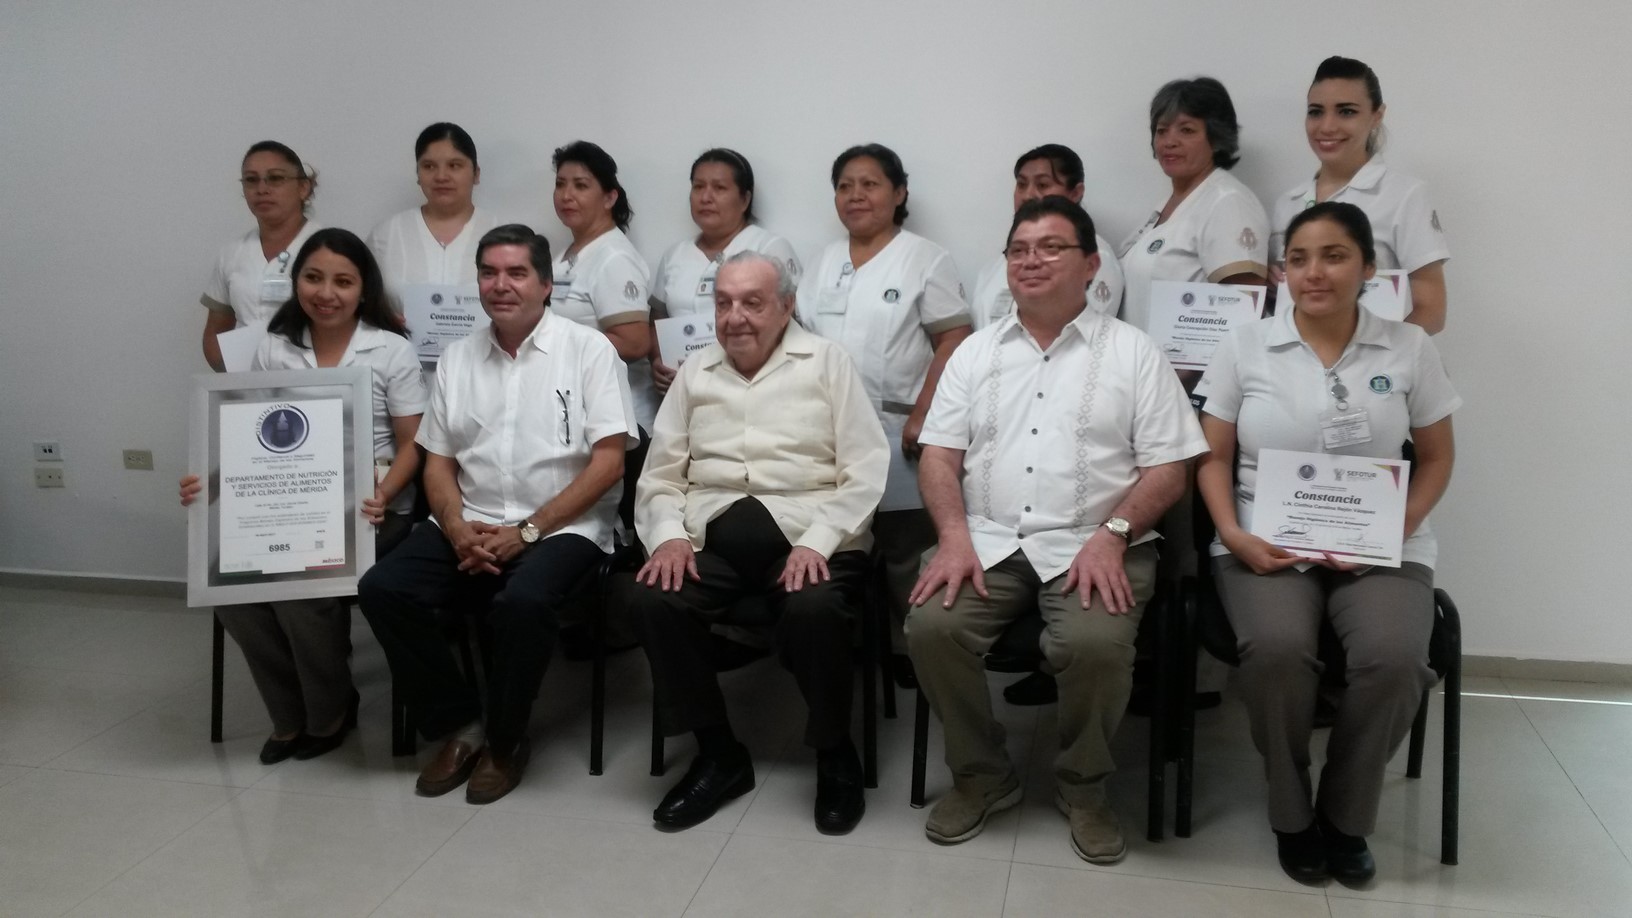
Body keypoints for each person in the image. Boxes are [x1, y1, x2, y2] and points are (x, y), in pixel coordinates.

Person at [907, 197, 1206, 864]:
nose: (1031, 261)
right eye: (1018, 250)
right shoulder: (975, 352)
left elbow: (1170, 469)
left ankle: (1084, 786)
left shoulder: (1134, 352)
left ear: (1091, 265)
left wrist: (1116, 532)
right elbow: (938, 457)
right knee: (931, 627)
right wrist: (951, 535)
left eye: (1050, 248)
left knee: (1094, 644)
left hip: (1097, 540)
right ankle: (983, 774)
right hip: (987, 537)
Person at [1193, 201, 1458, 884]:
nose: (1314, 272)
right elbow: (1212, 458)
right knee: (1277, 650)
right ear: (1282, 271)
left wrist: (1395, 528)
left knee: (1396, 659)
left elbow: (1436, 458)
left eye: (1334, 256)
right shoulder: (1244, 345)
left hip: (1382, 544)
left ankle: (1345, 815)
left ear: (1368, 268)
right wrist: (1232, 534)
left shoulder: (1409, 347)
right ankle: (1290, 811)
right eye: (1299, 258)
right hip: (1264, 540)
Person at [358, 224, 637, 805]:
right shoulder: (458, 358)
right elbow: (438, 462)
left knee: (523, 601)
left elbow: (609, 464)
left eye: (516, 273)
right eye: (489, 273)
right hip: (472, 517)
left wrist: (528, 531)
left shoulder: (589, 350)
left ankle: (506, 742)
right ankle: (461, 725)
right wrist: (455, 525)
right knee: (383, 587)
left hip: (566, 526)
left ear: (546, 284)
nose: (500, 285)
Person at [626, 252, 888, 835]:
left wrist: (819, 543)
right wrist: (667, 539)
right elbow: (661, 475)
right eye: (723, 303)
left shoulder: (827, 363)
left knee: (814, 606)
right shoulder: (696, 371)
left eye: (752, 302)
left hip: (810, 532)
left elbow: (866, 469)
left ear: (787, 306)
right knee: (651, 598)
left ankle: (835, 752)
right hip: (710, 535)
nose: (735, 317)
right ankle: (719, 753)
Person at [179, 228, 426, 764]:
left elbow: (414, 445)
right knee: (232, 591)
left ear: (364, 289)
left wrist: (383, 493)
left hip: (373, 512)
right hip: (288, 505)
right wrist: (211, 484)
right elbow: (250, 437)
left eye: (343, 281)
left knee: (301, 590)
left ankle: (329, 711)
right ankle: (289, 715)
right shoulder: (274, 346)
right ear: (297, 283)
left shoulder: (392, 350)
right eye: (313, 278)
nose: (326, 293)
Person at [797, 143, 973, 687]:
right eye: (845, 185)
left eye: (869, 184)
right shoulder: (822, 262)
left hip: (899, 426)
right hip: (825, 429)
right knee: (837, 537)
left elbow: (954, 338)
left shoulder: (925, 258)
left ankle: (912, 648)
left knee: (903, 546)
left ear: (899, 193)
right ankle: (848, 644)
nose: (856, 196)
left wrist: (924, 413)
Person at [1270, 57, 1449, 335]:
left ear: (1377, 115)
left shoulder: (1404, 195)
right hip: (1297, 359)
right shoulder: (1288, 204)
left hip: (1379, 359)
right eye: (1316, 112)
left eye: (1346, 112)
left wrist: (1375, 356)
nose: (1327, 126)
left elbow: (1432, 311)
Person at [1118, 78, 1270, 349]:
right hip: (1144, 366)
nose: (1169, 142)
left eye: (1186, 130)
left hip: (1189, 373)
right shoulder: (1167, 204)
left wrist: (1187, 371)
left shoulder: (1227, 202)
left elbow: (1245, 309)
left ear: (1216, 138)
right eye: (1162, 131)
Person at [550, 141, 654, 531]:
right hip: (576, 410)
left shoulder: (613, 257)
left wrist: (557, 347)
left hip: (617, 417)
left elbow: (635, 342)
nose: (567, 195)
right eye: (561, 184)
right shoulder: (567, 254)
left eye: (581, 185)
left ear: (609, 197)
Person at [649, 148, 800, 397]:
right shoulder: (675, 255)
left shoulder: (769, 248)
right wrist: (658, 360)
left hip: (752, 387)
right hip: (684, 388)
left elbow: (791, 321)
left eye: (719, 188)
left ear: (745, 199)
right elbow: (657, 318)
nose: (705, 197)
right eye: (698, 187)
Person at [970, 144, 1125, 329]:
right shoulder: (994, 266)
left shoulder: (1092, 256)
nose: (1028, 195)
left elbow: (1084, 332)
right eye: (1021, 185)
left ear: (1076, 193)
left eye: (1042, 185)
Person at [200, 141, 322, 371]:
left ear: (303, 188)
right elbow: (215, 332)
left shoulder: (330, 248)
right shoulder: (232, 253)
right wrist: (234, 377)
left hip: (314, 379)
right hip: (247, 382)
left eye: (275, 178)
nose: (262, 189)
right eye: (251, 180)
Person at [367, 122, 502, 322]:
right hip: (402, 342)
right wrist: (384, 320)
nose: (441, 176)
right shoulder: (386, 235)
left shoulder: (502, 234)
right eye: (429, 166)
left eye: (454, 165)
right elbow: (363, 303)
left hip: (489, 343)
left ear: (476, 173)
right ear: (418, 175)